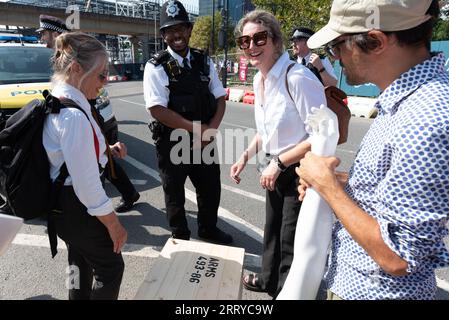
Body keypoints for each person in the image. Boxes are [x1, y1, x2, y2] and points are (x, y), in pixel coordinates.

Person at [297, 0, 449, 300]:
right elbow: (388, 198)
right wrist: (340, 185)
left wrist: (329, 188)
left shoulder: (425, 118)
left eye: (337, 46)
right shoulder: (406, 101)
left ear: (377, 41)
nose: (335, 57)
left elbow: (399, 257)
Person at [230, 10, 326, 297]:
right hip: (274, 167)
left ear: (275, 40)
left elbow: (322, 134)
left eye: (259, 38)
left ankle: (285, 292)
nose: (251, 46)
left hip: (299, 171)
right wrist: (244, 156)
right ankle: (268, 280)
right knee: (271, 231)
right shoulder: (261, 80)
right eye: (244, 41)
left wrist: (281, 163)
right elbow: (267, 132)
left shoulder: (297, 78)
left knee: (289, 241)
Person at [44, 32, 127, 299]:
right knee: (110, 266)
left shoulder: (61, 100)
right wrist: (114, 224)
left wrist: (106, 150)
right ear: (77, 69)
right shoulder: (73, 116)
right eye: (101, 75)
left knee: (78, 263)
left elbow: (70, 152)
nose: (104, 83)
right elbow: (87, 186)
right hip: (76, 206)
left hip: (61, 205)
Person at [143, 0, 232, 244]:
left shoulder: (205, 61)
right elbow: (157, 110)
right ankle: (180, 236)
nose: (177, 34)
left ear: (189, 30)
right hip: (173, 142)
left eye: (181, 28)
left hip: (204, 139)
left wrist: (211, 129)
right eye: (170, 30)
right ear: (164, 36)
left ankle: (208, 228)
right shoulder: (156, 67)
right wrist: (196, 129)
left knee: (210, 188)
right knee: (174, 192)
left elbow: (220, 98)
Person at [37, 14, 140, 213]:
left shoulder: (77, 56)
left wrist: (108, 219)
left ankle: (128, 193)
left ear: (54, 33)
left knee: (101, 154)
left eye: (44, 34)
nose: (42, 39)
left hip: (87, 111)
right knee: (100, 153)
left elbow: (87, 91)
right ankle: (128, 193)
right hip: (81, 112)